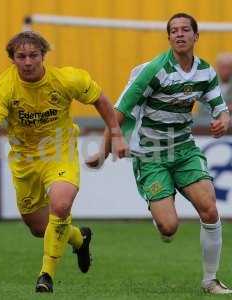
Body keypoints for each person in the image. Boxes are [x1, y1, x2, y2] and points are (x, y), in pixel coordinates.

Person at [86, 13, 231, 294]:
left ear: (195, 36)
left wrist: (223, 120)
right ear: (169, 38)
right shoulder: (154, 70)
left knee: (210, 209)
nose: (179, 34)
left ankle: (210, 280)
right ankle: (161, 212)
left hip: (184, 150)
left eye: (185, 29)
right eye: (173, 30)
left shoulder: (205, 72)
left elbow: (220, 108)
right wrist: (105, 151)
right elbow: (118, 112)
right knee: (169, 227)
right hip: (150, 155)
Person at [0, 31, 128, 293]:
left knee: (61, 203)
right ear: (12, 59)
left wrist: (116, 134)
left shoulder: (66, 79)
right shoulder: (3, 88)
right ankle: (79, 239)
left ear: (43, 56)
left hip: (59, 151)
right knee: (38, 228)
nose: (28, 61)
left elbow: (100, 99)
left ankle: (46, 275)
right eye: (21, 56)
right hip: (24, 160)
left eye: (34, 55)